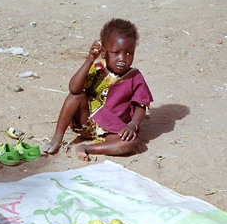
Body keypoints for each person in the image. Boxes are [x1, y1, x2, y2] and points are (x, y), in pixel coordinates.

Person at [43, 18, 153, 161]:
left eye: (129, 53)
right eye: (116, 52)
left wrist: (133, 125)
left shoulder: (135, 77)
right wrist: (89, 60)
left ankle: (87, 148)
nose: (122, 58)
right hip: (86, 121)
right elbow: (74, 88)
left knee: (132, 143)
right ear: (103, 52)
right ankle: (57, 139)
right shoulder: (98, 69)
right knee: (74, 96)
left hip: (112, 130)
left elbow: (141, 105)